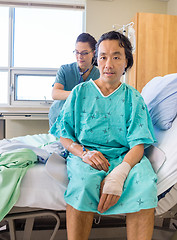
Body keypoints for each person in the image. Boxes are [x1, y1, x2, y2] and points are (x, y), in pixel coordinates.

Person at [50, 31, 157, 240]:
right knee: (82, 183)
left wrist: (121, 172)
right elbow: (64, 135)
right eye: (103, 57)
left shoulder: (134, 98)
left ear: (126, 61)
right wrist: (83, 154)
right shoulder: (80, 93)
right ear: (97, 60)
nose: (109, 64)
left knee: (144, 183)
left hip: (125, 155)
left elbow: (138, 144)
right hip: (86, 153)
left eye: (116, 57)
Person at [48, 33, 100, 127]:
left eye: (84, 53)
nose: (79, 56)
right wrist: (77, 93)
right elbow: (55, 93)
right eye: (77, 52)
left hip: (84, 122)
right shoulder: (65, 70)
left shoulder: (98, 75)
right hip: (59, 118)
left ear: (94, 53)